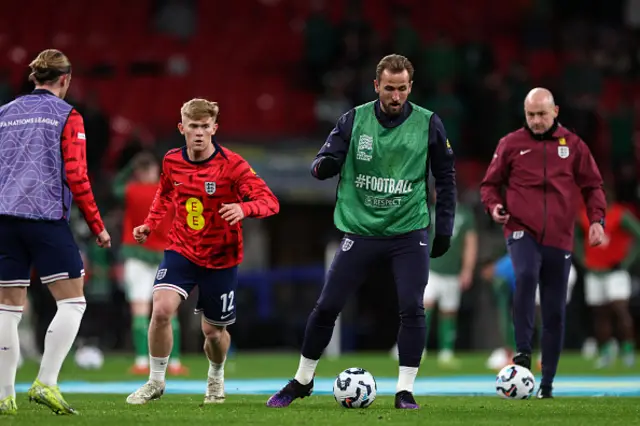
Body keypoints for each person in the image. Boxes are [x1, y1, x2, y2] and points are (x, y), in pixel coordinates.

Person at [266, 54, 456, 410]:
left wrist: (443, 226)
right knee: (326, 307)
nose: (395, 96)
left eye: (402, 89)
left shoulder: (430, 124)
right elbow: (321, 163)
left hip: (408, 229)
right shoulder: (353, 120)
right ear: (376, 86)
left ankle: (405, 391)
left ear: (410, 87)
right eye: (389, 89)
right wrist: (325, 166)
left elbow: (445, 178)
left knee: (412, 308)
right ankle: (303, 380)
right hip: (361, 228)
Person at [125, 98, 279, 405]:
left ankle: (216, 378)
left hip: (221, 257)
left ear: (214, 128)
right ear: (182, 128)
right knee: (161, 308)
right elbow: (164, 194)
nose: (199, 133)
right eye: (193, 126)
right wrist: (150, 225)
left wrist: (243, 207)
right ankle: (155, 381)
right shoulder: (171, 161)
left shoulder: (232, 165)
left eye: (205, 127)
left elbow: (270, 202)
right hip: (181, 248)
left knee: (212, 333)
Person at [0, 49, 111, 416]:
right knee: (73, 302)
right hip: (45, 218)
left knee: (7, 310)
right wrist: (97, 226)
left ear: (34, 78)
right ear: (65, 80)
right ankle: (46, 382)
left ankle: (4, 396)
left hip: (4, 220)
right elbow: (77, 177)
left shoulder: (4, 114)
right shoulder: (68, 116)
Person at [480, 87, 606, 398]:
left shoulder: (574, 145)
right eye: (531, 115)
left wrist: (597, 221)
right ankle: (522, 352)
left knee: (554, 311)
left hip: (561, 238)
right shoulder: (510, 144)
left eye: (541, 114)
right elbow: (490, 185)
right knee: (524, 275)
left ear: (556, 111)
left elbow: (593, 185)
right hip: (521, 229)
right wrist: (494, 207)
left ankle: (546, 383)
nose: (536, 120)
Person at [113, 152, 187, 376]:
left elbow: (115, 185)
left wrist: (130, 166)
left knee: (139, 310)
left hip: (136, 255)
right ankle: (174, 363)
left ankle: (141, 362)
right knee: (170, 311)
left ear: (137, 172)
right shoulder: (170, 194)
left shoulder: (131, 190)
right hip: (166, 256)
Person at [575, 197, 640, 368]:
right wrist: (582, 260)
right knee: (599, 313)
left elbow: (638, 234)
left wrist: (626, 262)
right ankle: (606, 350)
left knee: (620, 309)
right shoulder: (584, 215)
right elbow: (576, 237)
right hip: (594, 272)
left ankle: (628, 349)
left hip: (615, 272)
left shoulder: (620, 214)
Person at [482, 253, 577, 370]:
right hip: (556, 273)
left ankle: (544, 356)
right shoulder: (510, 261)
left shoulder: (501, 270)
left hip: (552, 274)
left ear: (489, 267)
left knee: (543, 316)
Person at [422, 195, 477, 368]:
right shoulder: (428, 211)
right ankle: (417, 348)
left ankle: (446, 351)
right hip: (431, 268)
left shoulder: (465, 214)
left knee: (449, 312)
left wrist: (467, 270)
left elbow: (470, 243)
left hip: (453, 272)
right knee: (424, 307)